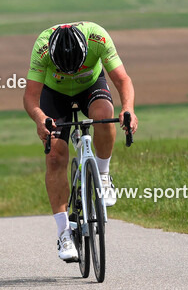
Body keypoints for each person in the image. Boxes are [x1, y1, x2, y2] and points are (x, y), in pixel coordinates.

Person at [22, 22, 139, 261]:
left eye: (76, 68)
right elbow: (31, 96)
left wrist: (128, 108)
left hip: (90, 87)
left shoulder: (98, 37)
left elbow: (122, 80)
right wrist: (40, 118)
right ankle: (64, 233)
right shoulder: (42, 47)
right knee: (54, 156)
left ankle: (103, 175)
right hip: (55, 95)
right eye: (64, 69)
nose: (71, 73)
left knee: (104, 116)